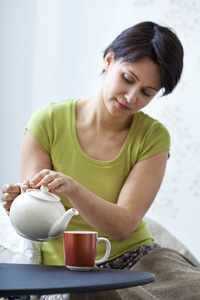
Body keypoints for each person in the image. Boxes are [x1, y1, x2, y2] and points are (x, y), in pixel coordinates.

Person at [2, 21, 200, 299]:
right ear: (109, 60)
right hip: (69, 272)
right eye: (128, 79)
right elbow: (37, 218)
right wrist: (19, 205)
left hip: (138, 257)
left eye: (147, 92)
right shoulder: (47, 122)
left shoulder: (154, 137)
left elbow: (122, 227)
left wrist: (73, 188)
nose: (131, 97)